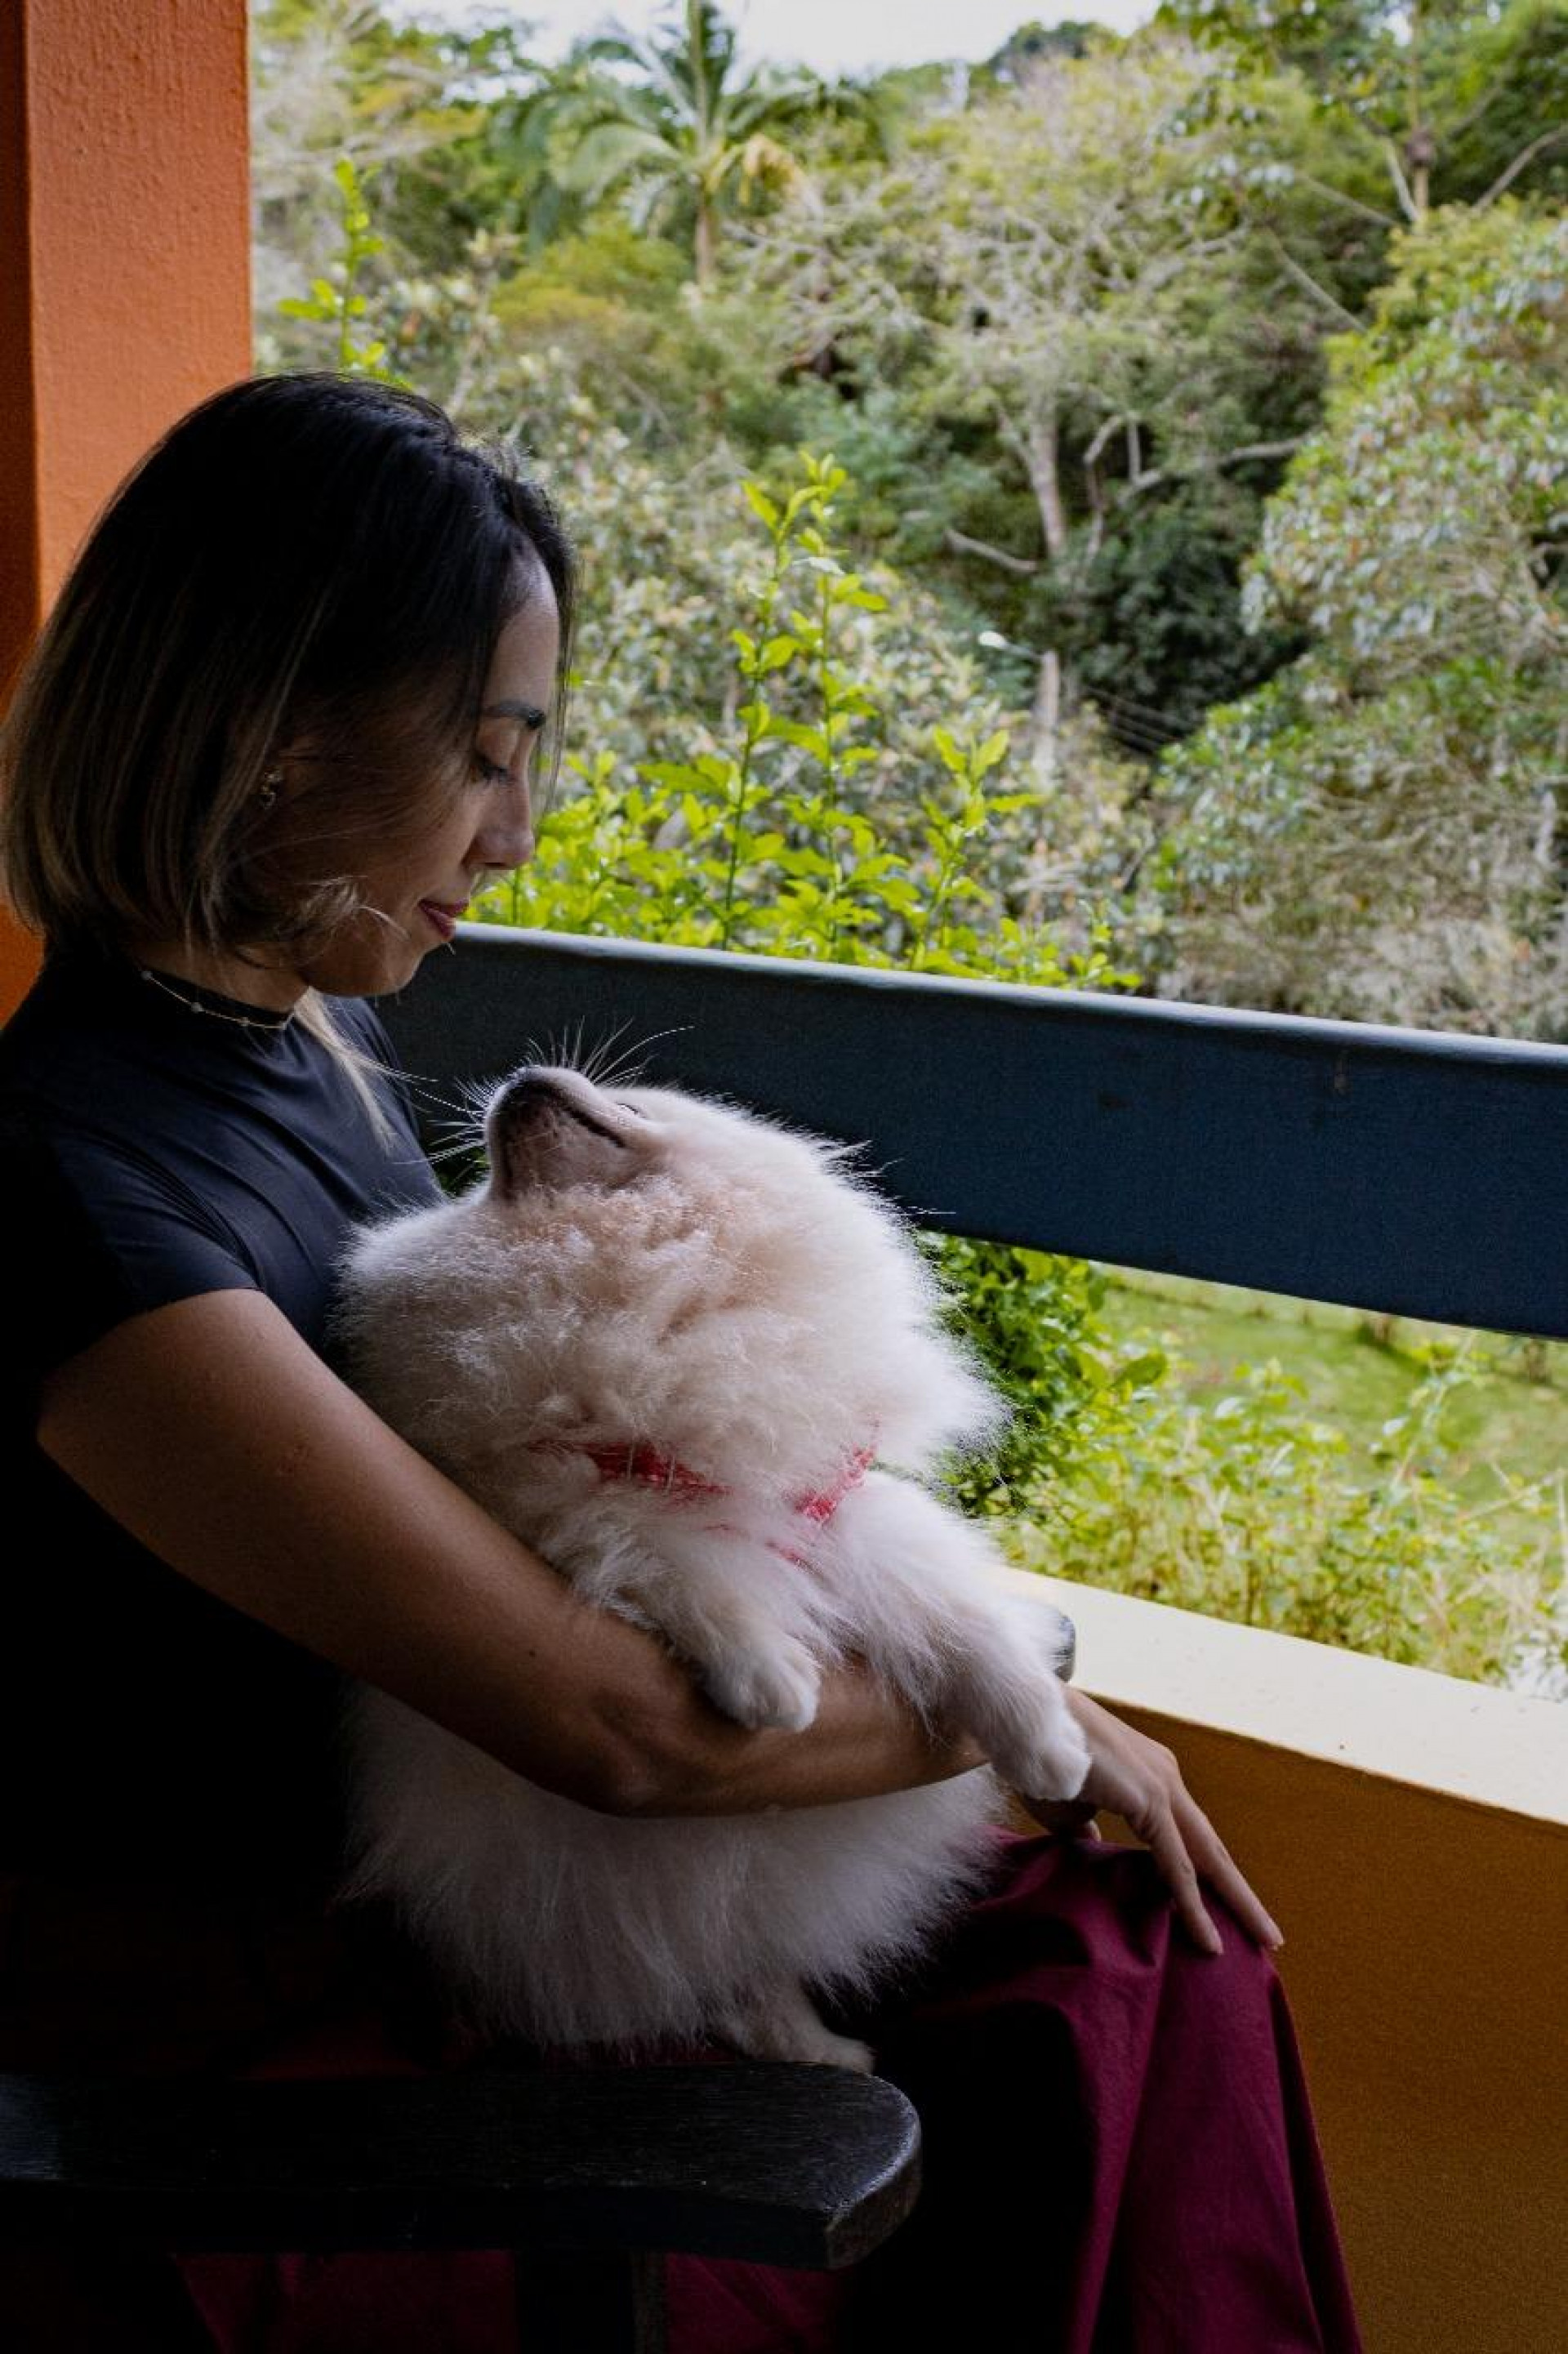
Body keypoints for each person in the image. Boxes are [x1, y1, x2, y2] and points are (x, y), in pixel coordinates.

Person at [0, 372, 1362, 2352]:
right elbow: (614, 1727)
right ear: (270, 742)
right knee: (1058, 2028)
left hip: (503, 1923)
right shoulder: (73, 1198)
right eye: (484, 756)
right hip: (276, 2078)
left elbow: (622, 1491)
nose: (521, 835)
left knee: (1131, 1937)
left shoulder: (304, 1051)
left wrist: (1013, 1688)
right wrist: (1013, 1691)